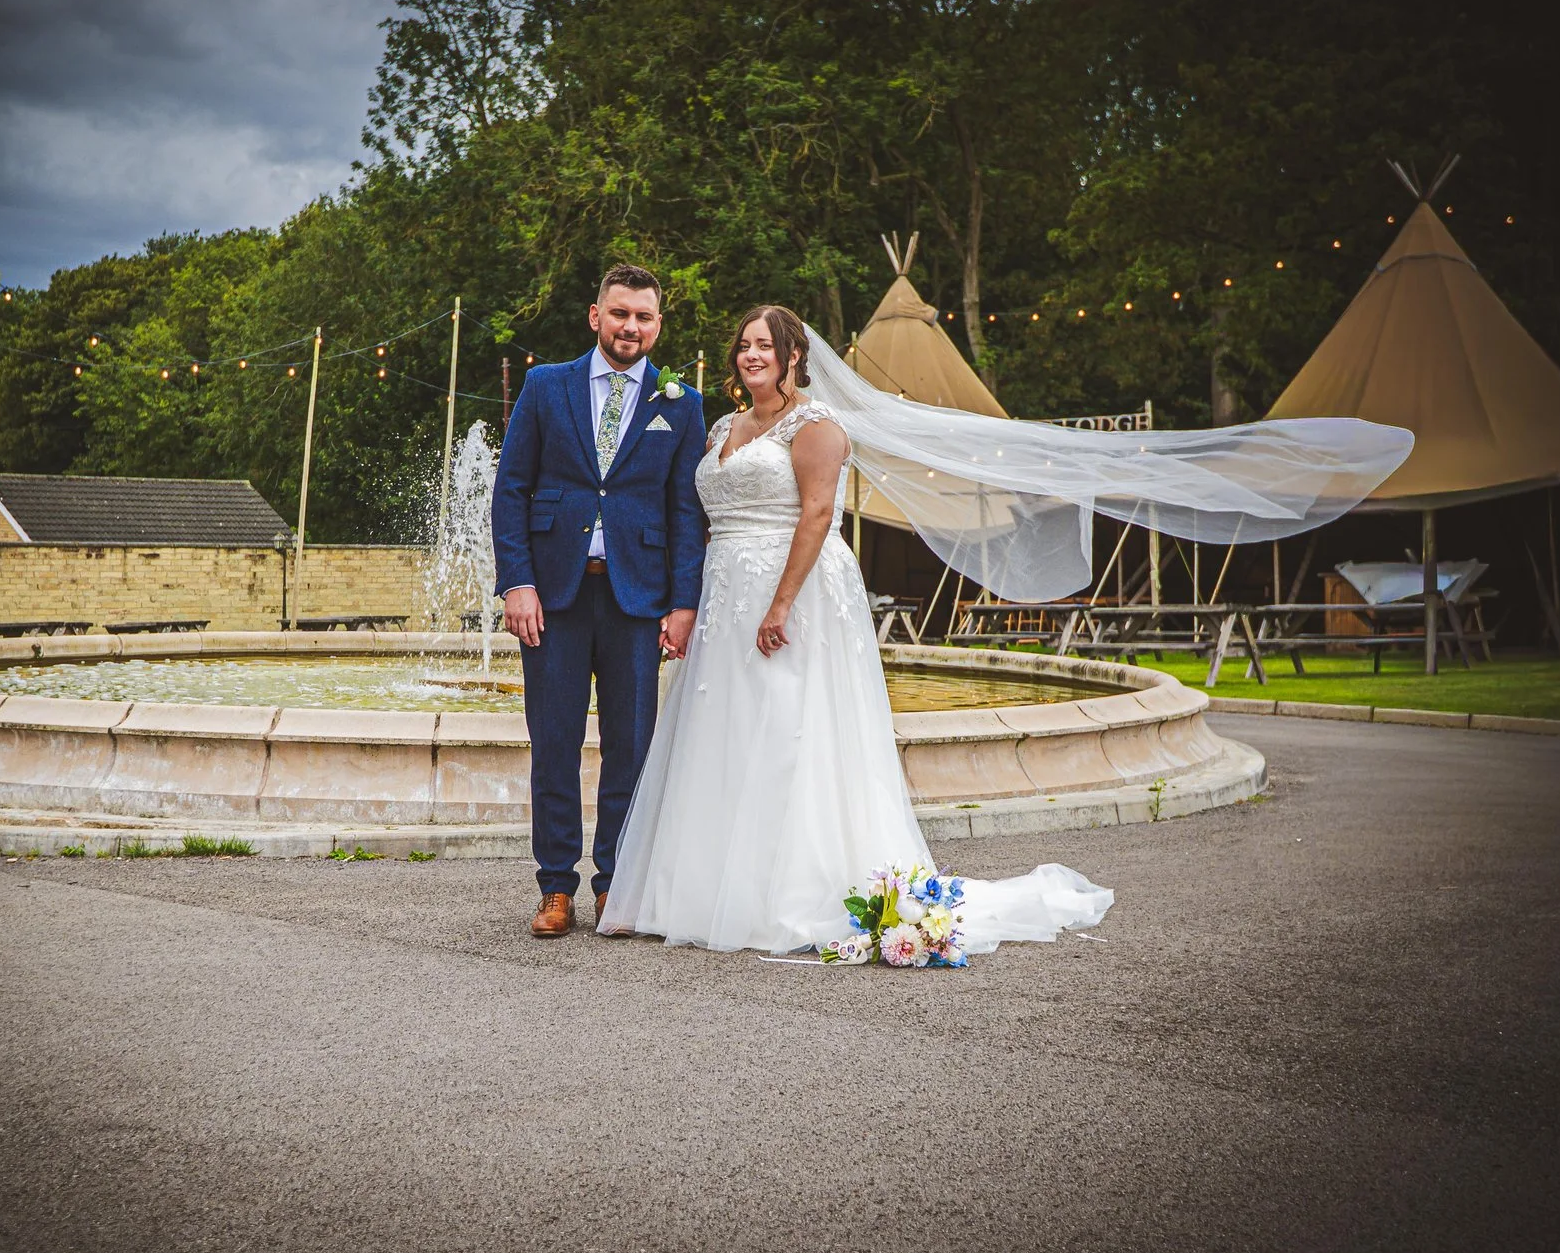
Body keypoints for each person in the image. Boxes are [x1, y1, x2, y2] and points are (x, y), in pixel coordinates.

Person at [598, 304, 1412, 954]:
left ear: (794, 356)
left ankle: (777, 893)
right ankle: (697, 890)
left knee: (785, 736)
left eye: (765, 346)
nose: (751, 355)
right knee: (723, 737)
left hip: (790, 592)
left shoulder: (816, 429)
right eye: (743, 344)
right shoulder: (718, 427)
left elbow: (817, 514)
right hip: (725, 592)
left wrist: (780, 602)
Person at [489, 264, 710, 938]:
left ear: (658, 325)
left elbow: (685, 512)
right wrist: (517, 583)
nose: (631, 328)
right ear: (596, 316)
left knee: (630, 748)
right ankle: (556, 887)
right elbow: (511, 490)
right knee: (553, 744)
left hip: (638, 601)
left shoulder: (682, 403)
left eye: (644, 317)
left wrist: (683, 603)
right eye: (620, 314)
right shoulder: (544, 386)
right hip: (553, 598)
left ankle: (616, 881)